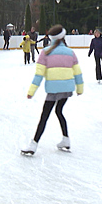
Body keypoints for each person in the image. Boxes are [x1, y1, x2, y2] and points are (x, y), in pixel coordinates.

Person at [22, 25, 84, 155]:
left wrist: (31, 91)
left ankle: (33, 144)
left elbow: (39, 75)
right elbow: (77, 72)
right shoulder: (70, 52)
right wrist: (79, 88)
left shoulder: (45, 52)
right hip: (67, 89)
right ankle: (66, 139)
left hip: (53, 90)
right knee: (59, 111)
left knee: (44, 116)